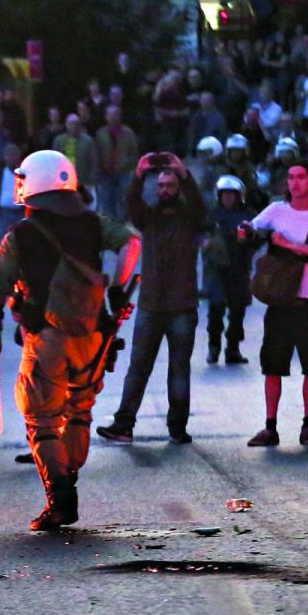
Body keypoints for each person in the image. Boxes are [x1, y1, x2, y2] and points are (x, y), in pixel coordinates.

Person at [0, 151, 130, 531]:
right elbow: (132, 243)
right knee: (80, 410)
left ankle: (61, 498)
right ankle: (69, 477)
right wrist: (119, 290)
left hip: (47, 336)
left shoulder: (21, 233)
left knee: (41, 417)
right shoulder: (92, 222)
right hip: (93, 334)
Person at [97, 152, 206, 444]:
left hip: (182, 305)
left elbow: (199, 206)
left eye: (170, 185)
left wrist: (184, 174)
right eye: (161, 186)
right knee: (138, 367)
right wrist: (138, 173)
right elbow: (130, 204)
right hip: (151, 304)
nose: (165, 191)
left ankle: (178, 427)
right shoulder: (150, 217)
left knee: (179, 369)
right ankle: (124, 424)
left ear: (178, 187)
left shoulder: (189, 217)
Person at [243, 156, 308, 447]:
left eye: (300, 177)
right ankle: (270, 426)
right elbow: (252, 228)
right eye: (291, 177)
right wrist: (244, 230)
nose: (295, 182)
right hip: (282, 302)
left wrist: (290, 245)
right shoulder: (275, 210)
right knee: (272, 366)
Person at [203, 175, 256, 364]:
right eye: (224, 195)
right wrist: (206, 242)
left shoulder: (248, 215)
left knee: (237, 310)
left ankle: (233, 349)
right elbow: (198, 235)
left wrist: (247, 239)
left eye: (231, 195)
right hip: (216, 270)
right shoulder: (210, 215)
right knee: (215, 309)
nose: (228, 199)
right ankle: (214, 347)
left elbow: (258, 238)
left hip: (239, 269)